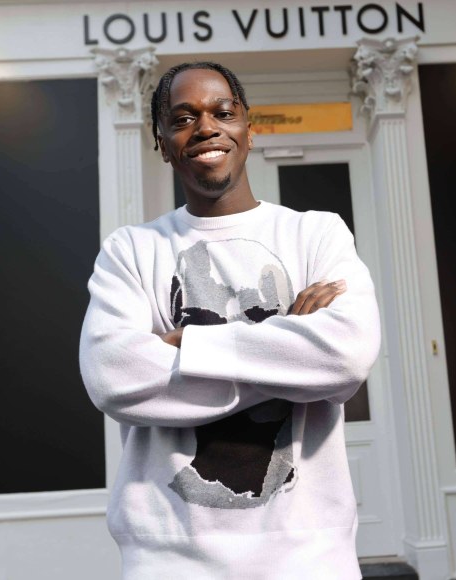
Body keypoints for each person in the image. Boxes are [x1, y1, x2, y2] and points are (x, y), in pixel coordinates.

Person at [80, 61, 380, 580]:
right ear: (161, 140)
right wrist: (289, 349)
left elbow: (345, 357)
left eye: (224, 112)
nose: (206, 128)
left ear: (248, 129)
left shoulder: (317, 234)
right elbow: (113, 376)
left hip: (309, 556)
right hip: (167, 557)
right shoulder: (131, 251)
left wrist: (184, 345)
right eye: (183, 118)